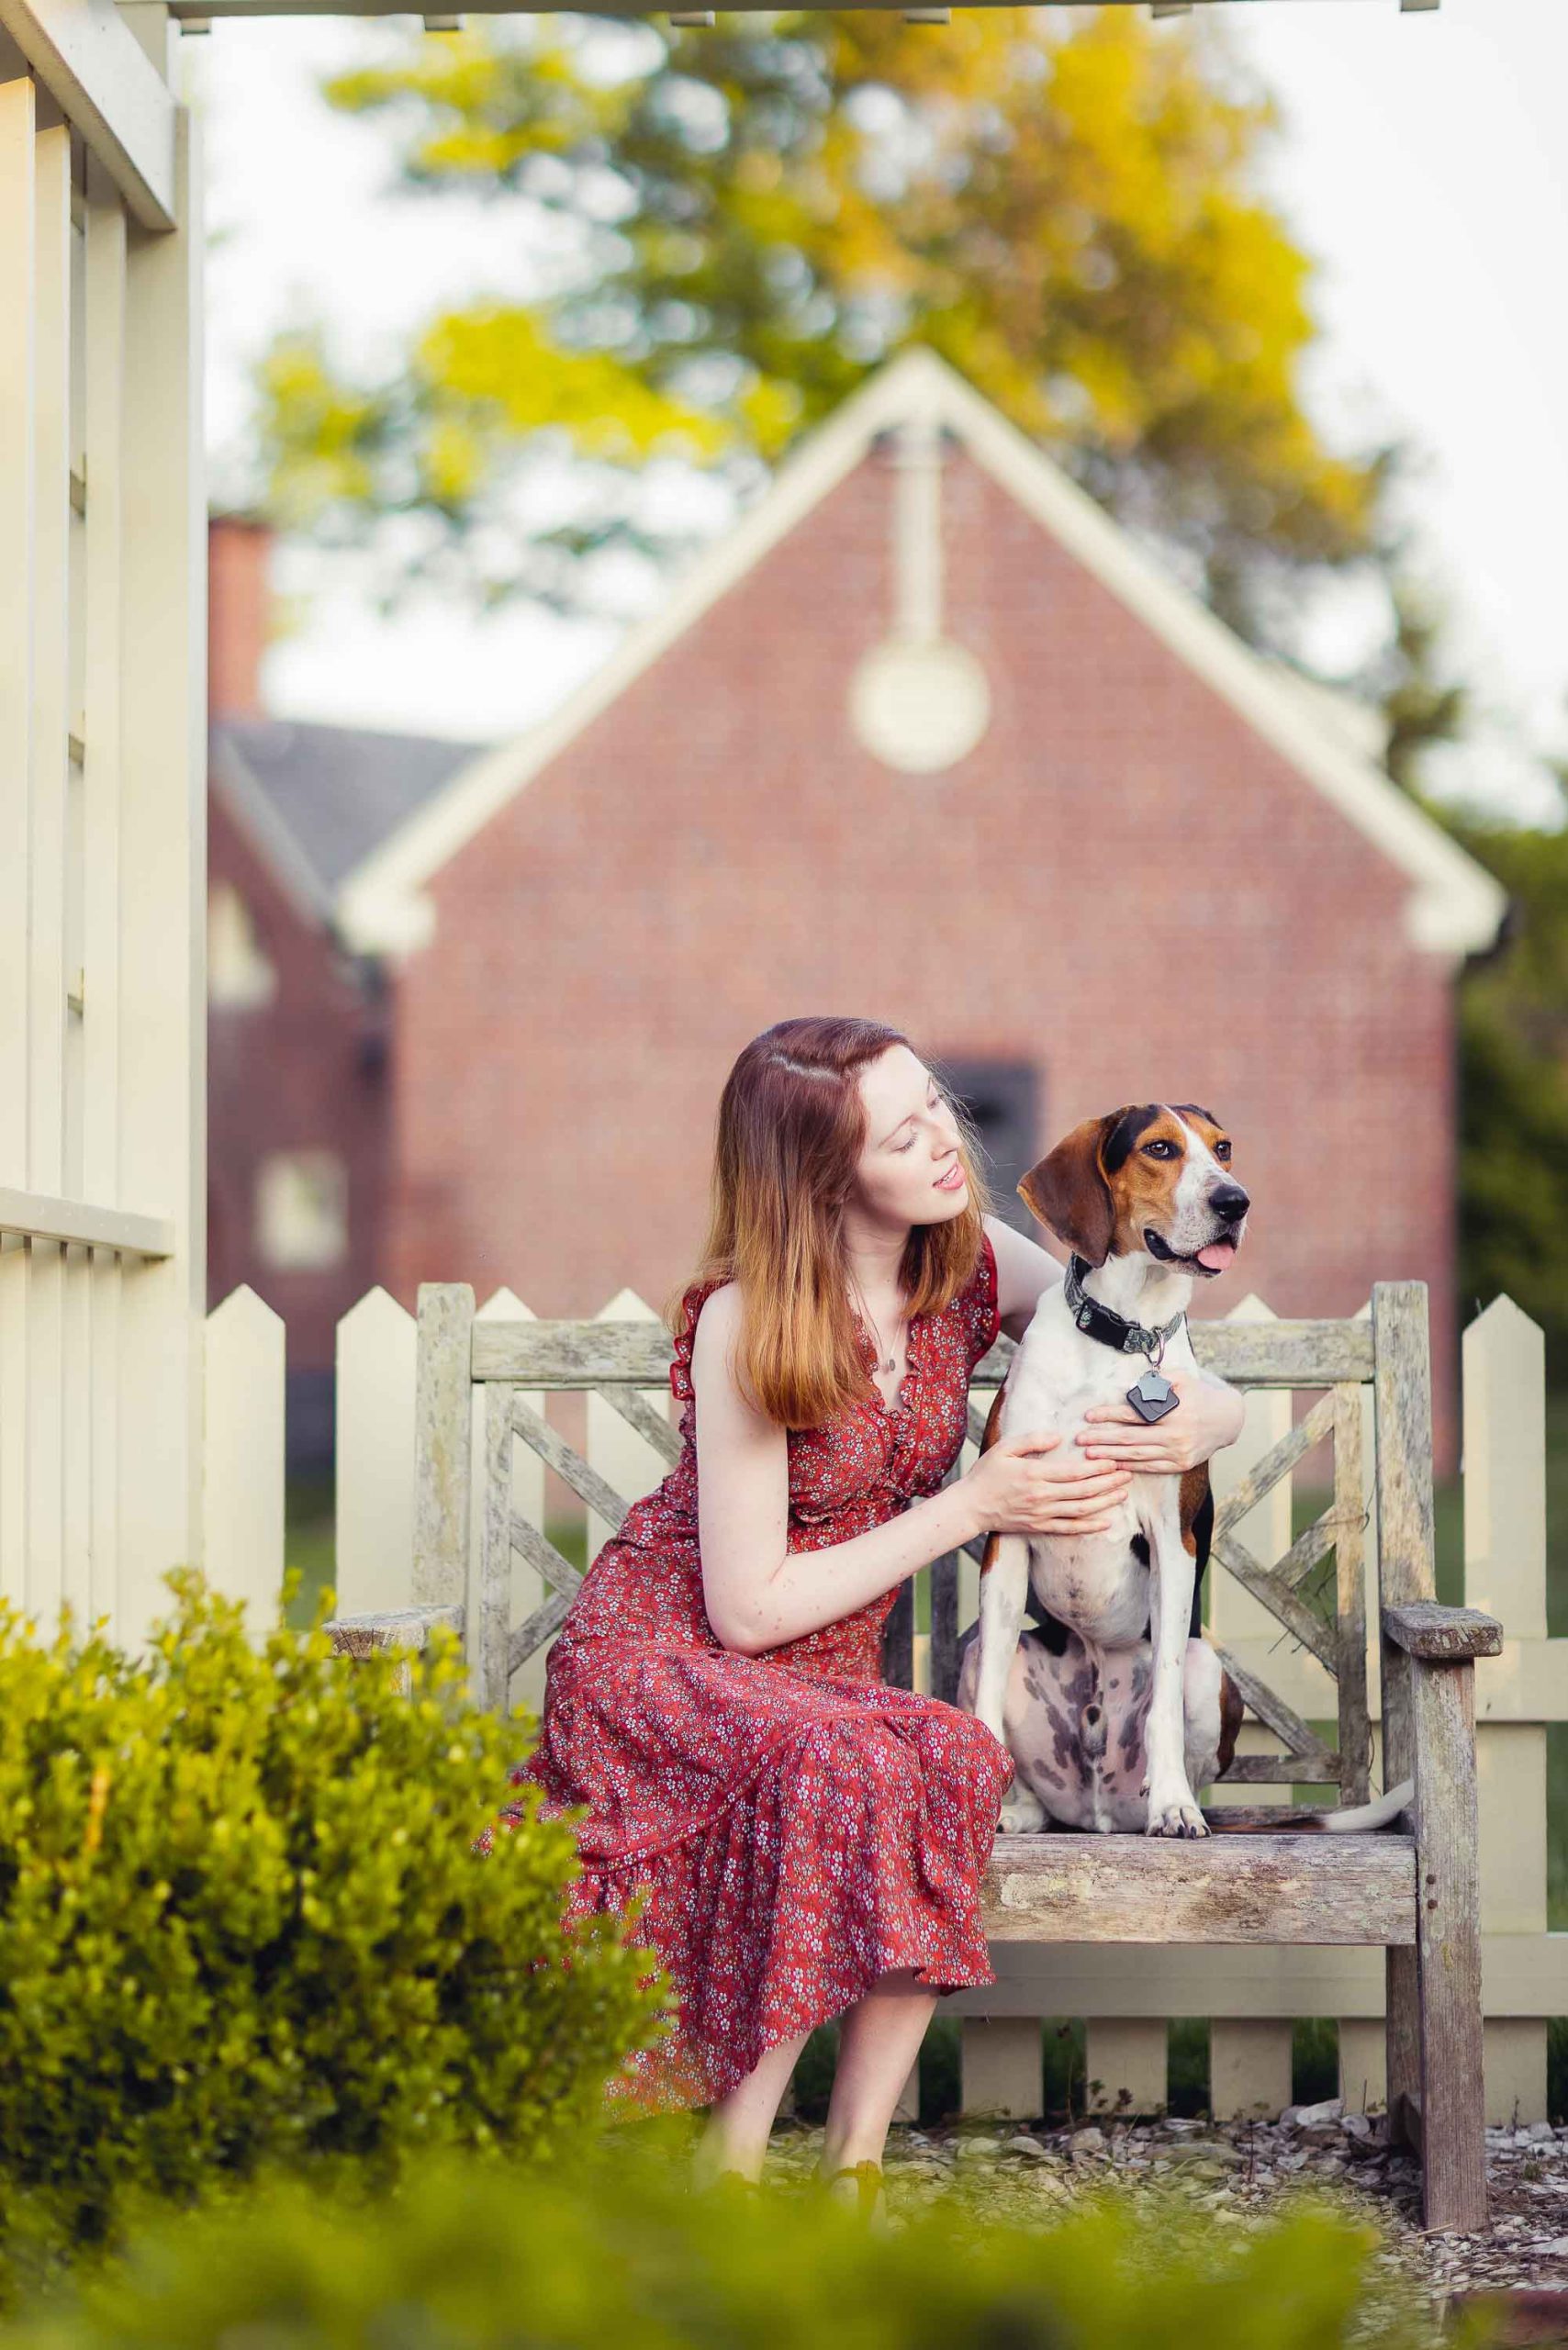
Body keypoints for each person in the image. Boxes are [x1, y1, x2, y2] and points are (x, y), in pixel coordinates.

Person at [490, 1016, 1246, 2217]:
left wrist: (1212, 1421)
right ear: (826, 1175)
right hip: (665, 1657)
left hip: (824, 1675)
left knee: (948, 1754)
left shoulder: (972, 1261)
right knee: (853, 1763)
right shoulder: (751, 1316)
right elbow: (745, 1610)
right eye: (905, 1136)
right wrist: (976, 1503)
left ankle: (852, 2172)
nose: (947, 1144)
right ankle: (732, 2172)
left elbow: (1134, 1327)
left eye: (936, 1108)